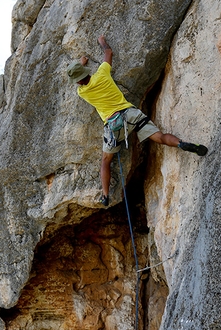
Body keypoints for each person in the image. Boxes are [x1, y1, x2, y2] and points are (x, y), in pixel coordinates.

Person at [67, 35, 208, 206]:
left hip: (113, 125)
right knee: (160, 137)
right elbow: (108, 52)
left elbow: (80, 80)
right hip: (130, 114)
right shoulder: (102, 74)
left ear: (78, 81)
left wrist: (81, 63)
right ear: (87, 73)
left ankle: (104, 195)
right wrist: (102, 42)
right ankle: (181, 143)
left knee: (106, 161)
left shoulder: (82, 93)